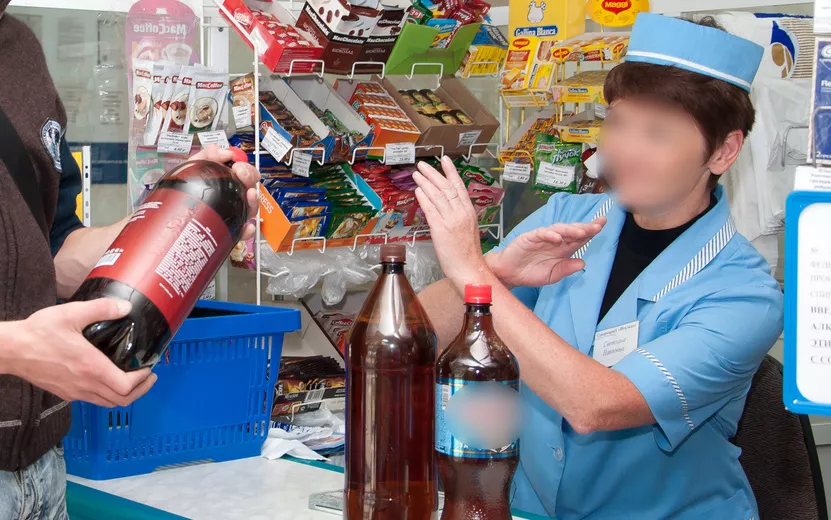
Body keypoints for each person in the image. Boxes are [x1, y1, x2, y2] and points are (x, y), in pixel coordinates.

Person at [415, 14, 783, 519]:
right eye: (617, 122)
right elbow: (414, 337)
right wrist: (497, 268)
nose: (623, 151)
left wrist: (473, 272)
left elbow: (596, 405)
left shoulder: (745, 295)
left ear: (724, 151)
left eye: (657, 133)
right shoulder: (567, 218)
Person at [0, 3, 261, 517]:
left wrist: (174, 213)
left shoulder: (20, 50)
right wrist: (11, 349)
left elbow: (52, 254)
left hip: (43, 470)